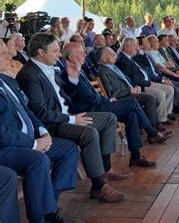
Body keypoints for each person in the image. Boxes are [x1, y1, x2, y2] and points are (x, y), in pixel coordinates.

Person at [16, 33, 127, 203]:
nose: (59, 55)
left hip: (70, 115)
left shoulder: (49, 67)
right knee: (88, 134)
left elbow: (67, 94)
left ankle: (105, 167)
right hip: (53, 124)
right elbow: (40, 112)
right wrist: (72, 120)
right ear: (40, 52)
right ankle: (99, 186)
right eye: (55, 51)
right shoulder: (29, 75)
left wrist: (73, 76)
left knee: (109, 118)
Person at [0, 40, 79, 222]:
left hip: (30, 138)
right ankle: (40, 216)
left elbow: (28, 110)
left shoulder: (8, 81)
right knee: (37, 160)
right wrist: (34, 144)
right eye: (3, 54)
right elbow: (2, 132)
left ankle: (49, 205)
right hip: (7, 145)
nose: (10, 56)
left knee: (68, 149)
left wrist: (42, 132)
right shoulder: (27, 75)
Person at [61, 43, 167, 163]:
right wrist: (108, 100)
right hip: (90, 110)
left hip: (97, 104)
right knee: (132, 102)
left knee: (131, 114)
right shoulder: (70, 75)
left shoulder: (78, 71)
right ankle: (152, 132)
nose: (85, 54)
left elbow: (91, 96)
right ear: (71, 58)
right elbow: (89, 98)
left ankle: (136, 156)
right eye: (81, 53)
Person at [97, 46, 175, 129]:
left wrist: (135, 87)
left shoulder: (113, 66)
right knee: (150, 99)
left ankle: (148, 125)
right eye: (112, 54)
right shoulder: (102, 72)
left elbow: (126, 79)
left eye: (114, 53)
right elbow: (112, 93)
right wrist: (130, 90)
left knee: (155, 99)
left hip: (132, 90)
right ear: (103, 58)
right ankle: (154, 128)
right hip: (123, 96)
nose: (115, 55)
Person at [116, 38, 178, 123]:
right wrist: (149, 83)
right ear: (126, 47)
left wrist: (161, 79)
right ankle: (161, 119)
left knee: (170, 89)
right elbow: (134, 80)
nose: (137, 48)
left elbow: (146, 68)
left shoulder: (131, 57)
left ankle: (166, 114)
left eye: (137, 45)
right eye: (135, 46)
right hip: (141, 85)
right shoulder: (123, 60)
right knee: (161, 94)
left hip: (148, 81)